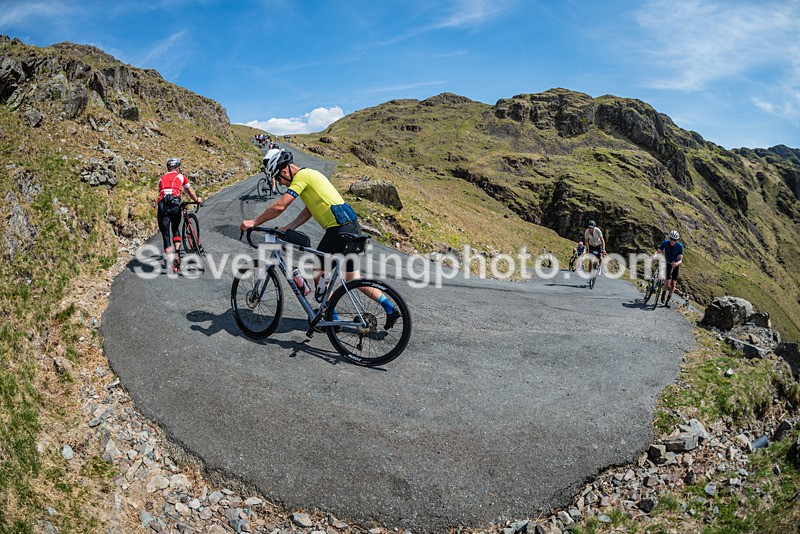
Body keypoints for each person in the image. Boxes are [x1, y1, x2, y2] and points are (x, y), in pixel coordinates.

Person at [240, 149, 401, 329]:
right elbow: (309, 210)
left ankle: (332, 321)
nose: (281, 184)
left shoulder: (302, 176)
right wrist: (288, 228)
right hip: (351, 226)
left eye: (279, 179)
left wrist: (254, 222)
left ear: (285, 171)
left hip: (338, 229)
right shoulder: (312, 175)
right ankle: (390, 309)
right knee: (351, 277)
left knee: (318, 271)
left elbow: (280, 206)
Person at [157, 157, 201, 273]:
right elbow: (190, 192)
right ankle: (177, 255)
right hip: (175, 205)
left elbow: (162, 191)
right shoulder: (181, 177)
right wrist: (197, 199)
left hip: (162, 206)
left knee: (166, 236)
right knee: (175, 229)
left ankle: (172, 264)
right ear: (178, 167)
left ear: (168, 168)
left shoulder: (161, 178)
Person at [654, 230, 684, 307]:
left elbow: (680, 260)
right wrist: (655, 256)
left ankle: (667, 300)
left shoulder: (680, 246)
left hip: (675, 264)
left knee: (673, 285)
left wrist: (676, 264)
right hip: (667, 263)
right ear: (669, 238)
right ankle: (663, 294)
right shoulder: (665, 243)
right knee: (667, 283)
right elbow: (658, 251)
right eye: (671, 239)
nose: (672, 241)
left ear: (676, 240)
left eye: (674, 240)